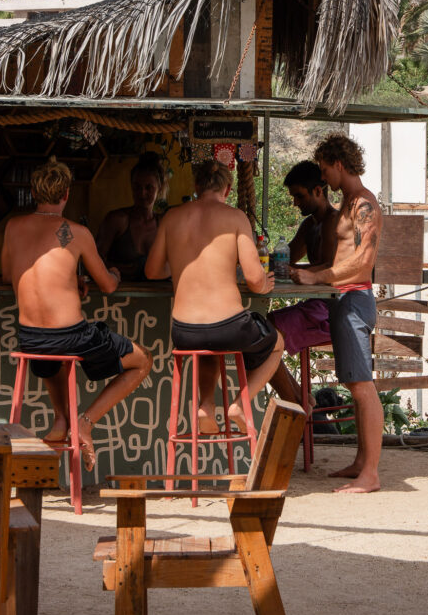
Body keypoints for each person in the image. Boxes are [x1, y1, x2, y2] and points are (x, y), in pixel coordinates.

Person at [2, 158, 152, 471]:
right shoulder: (76, 232)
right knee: (143, 360)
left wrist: (70, 279)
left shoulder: (13, 227)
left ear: (33, 191)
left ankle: (61, 421)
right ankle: (84, 422)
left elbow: (8, 274)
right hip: (70, 338)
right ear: (66, 194)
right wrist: (114, 273)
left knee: (53, 353)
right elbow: (108, 286)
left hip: (31, 340)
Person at [145, 159, 284, 434]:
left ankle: (205, 406)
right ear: (229, 188)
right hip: (229, 327)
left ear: (196, 185)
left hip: (184, 332)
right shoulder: (235, 217)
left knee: (209, 349)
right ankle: (240, 405)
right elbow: (256, 280)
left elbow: (152, 271)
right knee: (278, 343)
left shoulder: (172, 217)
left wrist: (184, 264)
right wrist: (265, 286)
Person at [290, 134, 383, 494]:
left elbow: (361, 264)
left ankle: (371, 474)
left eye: (326, 169)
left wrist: (318, 275)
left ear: (339, 165)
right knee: (353, 384)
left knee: (362, 386)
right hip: (342, 300)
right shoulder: (349, 203)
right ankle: (362, 461)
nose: (324, 177)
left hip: (354, 300)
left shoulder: (364, 205)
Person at [267, 161, 338, 407]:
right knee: (261, 331)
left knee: (264, 334)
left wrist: (292, 270)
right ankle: (299, 399)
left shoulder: (333, 222)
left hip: (332, 312)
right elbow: (285, 261)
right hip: (317, 306)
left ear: (319, 191)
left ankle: (297, 405)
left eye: (299, 196)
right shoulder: (310, 225)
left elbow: (332, 269)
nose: (295, 202)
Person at [96, 151, 168, 280]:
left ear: (160, 188)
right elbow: (94, 261)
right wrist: (124, 269)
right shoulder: (117, 220)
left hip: (158, 297)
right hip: (119, 298)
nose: (142, 193)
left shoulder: (163, 224)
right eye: (137, 187)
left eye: (149, 187)